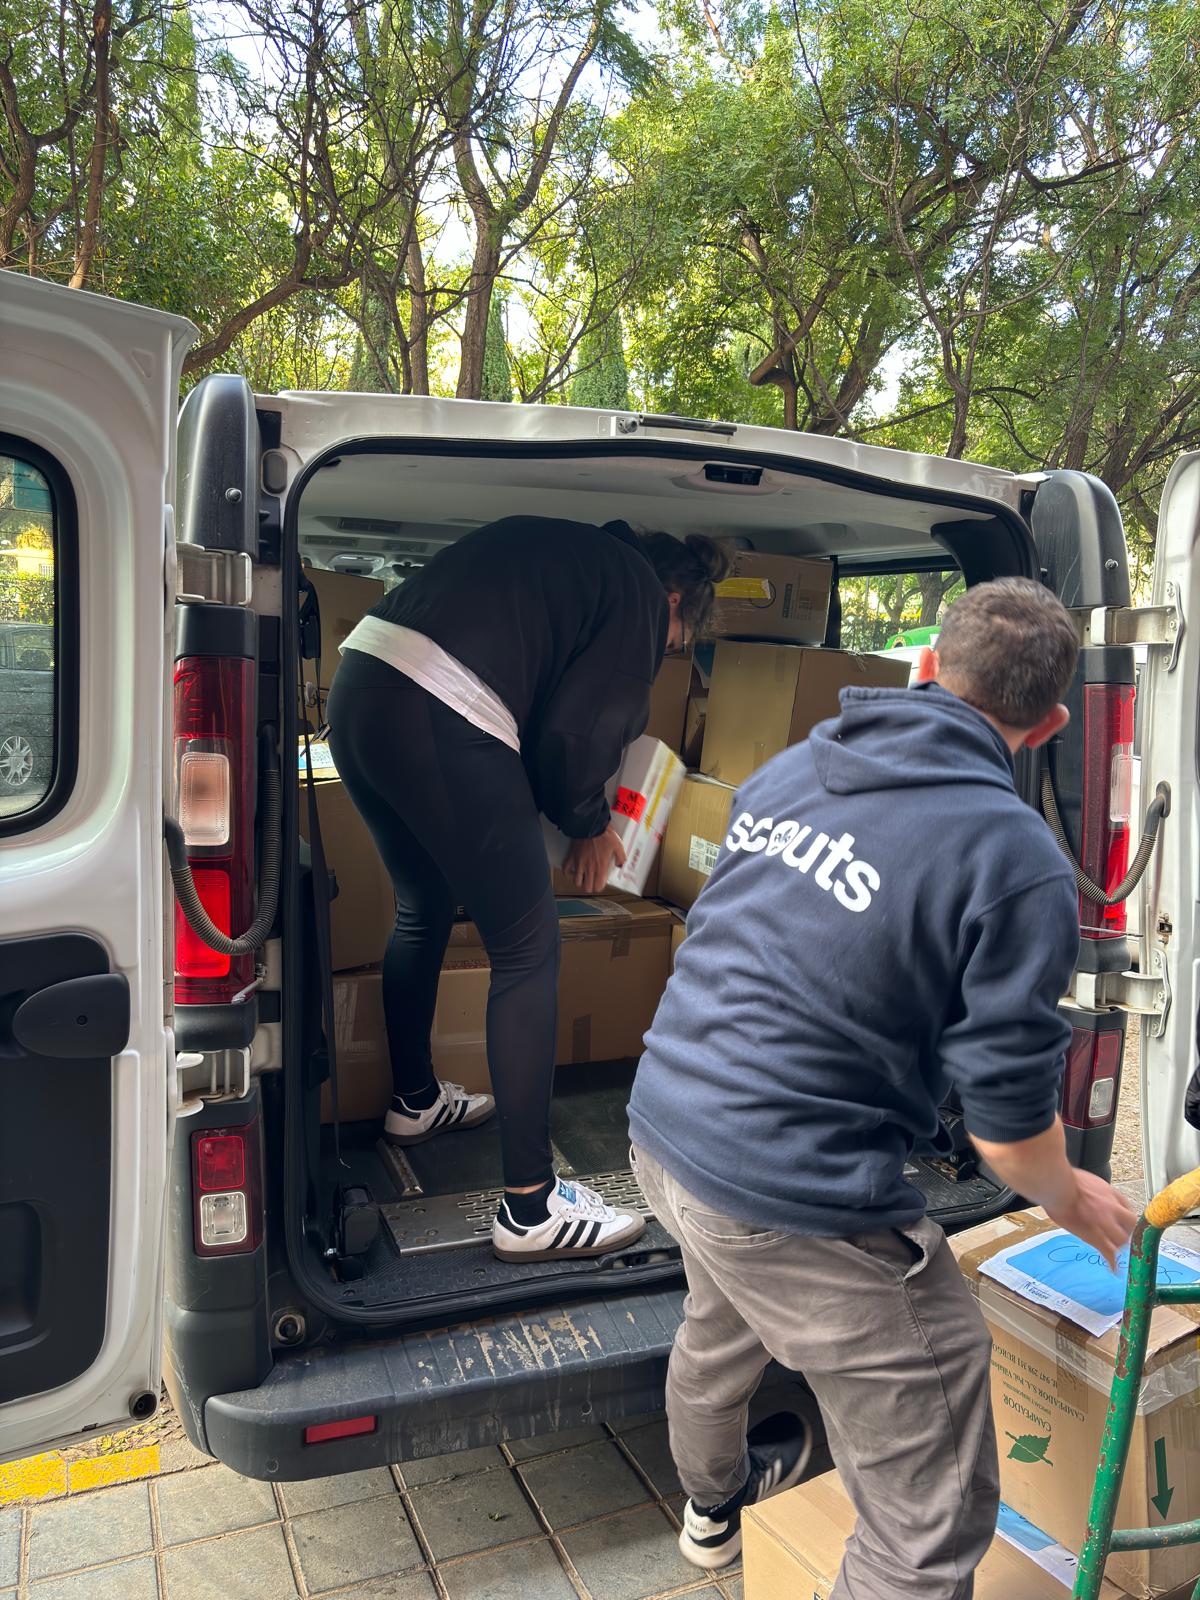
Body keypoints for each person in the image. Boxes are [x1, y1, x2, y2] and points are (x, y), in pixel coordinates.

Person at [627, 577, 1138, 1595]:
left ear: (930, 668)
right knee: (929, 1494)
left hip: (665, 1126)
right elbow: (1003, 1129)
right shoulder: (1015, 856)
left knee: (719, 1327)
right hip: (792, 1186)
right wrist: (1074, 1194)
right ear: (1053, 722)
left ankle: (709, 1512)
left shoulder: (791, 770)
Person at [326, 514, 727, 1262]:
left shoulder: (568, 559)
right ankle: (530, 1207)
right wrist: (588, 823)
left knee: (423, 901)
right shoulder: (638, 593)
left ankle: (415, 1100)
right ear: (676, 600)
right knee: (528, 948)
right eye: (674, 647)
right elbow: (576, 734)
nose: (665, 655)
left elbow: (543, 710)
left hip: (360, 691)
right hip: (439, 706)